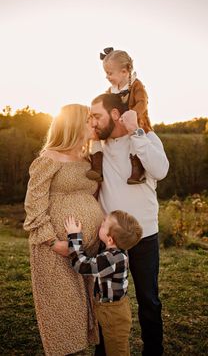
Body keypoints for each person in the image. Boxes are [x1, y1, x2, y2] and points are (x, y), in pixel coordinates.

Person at [89, 93, 169, 356]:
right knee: (105, 300)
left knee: (149, 299)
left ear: (114, 115)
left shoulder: (145, 138)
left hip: (145, 235)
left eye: (97, 116)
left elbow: (160, 171)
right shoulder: (96, 147)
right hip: (109, 238)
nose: (93, 122)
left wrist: (136, 131)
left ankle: (153, 351)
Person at [23, 104, 104, 356]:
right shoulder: (49, 158)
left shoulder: (86, 157)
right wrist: (53, 242)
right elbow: (34, 205)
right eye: (89, 120)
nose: (94, 124)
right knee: (62, 308)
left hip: (86, 248)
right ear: (73, 124)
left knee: (84, 307)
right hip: (56, 249)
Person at [64, 210, 143, 356]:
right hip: (112, 310)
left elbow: (80, 265)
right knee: (112, 347)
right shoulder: (117, 252)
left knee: (117, 351)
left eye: (103, 224)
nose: (101, 223)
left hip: (113, 313)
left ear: (110, 239)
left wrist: (74, 236)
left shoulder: (111, 259)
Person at [86, 47, 152, 184]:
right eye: (106, 74)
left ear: (124, 72)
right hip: (117, 125)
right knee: (96, 134)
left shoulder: (136, 85)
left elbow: (142, 101)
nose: (107, 77)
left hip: (135, 121)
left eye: (110, 73)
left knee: (135, 136)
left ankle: (137, 170)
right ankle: (97, 166)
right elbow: (104, 102)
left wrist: (133, 113)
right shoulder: (111, 90)